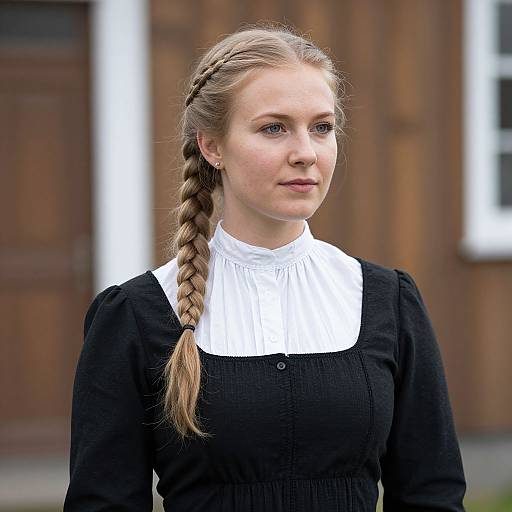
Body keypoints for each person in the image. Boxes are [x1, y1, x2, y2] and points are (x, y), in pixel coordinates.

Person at [63, 22, 467, 511]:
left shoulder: (387, 300)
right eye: (274, 128)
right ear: (212, 146)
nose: (305, 153)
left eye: (322, 127)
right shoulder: (136, 315)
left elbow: (433, 495)